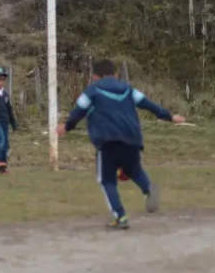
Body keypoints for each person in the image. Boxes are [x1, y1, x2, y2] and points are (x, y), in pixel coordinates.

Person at [57, 58, 185, 229]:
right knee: (134, 170)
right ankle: (148, 189)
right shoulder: (128, 89)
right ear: (116, 74)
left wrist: (67, 126)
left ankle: (120, 217)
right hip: (132, 138)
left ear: (95, 76)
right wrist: (169, 116)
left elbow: (80, 110)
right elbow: (148, 104)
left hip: (108, 140)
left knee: (107, 179)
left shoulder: (92, 91)